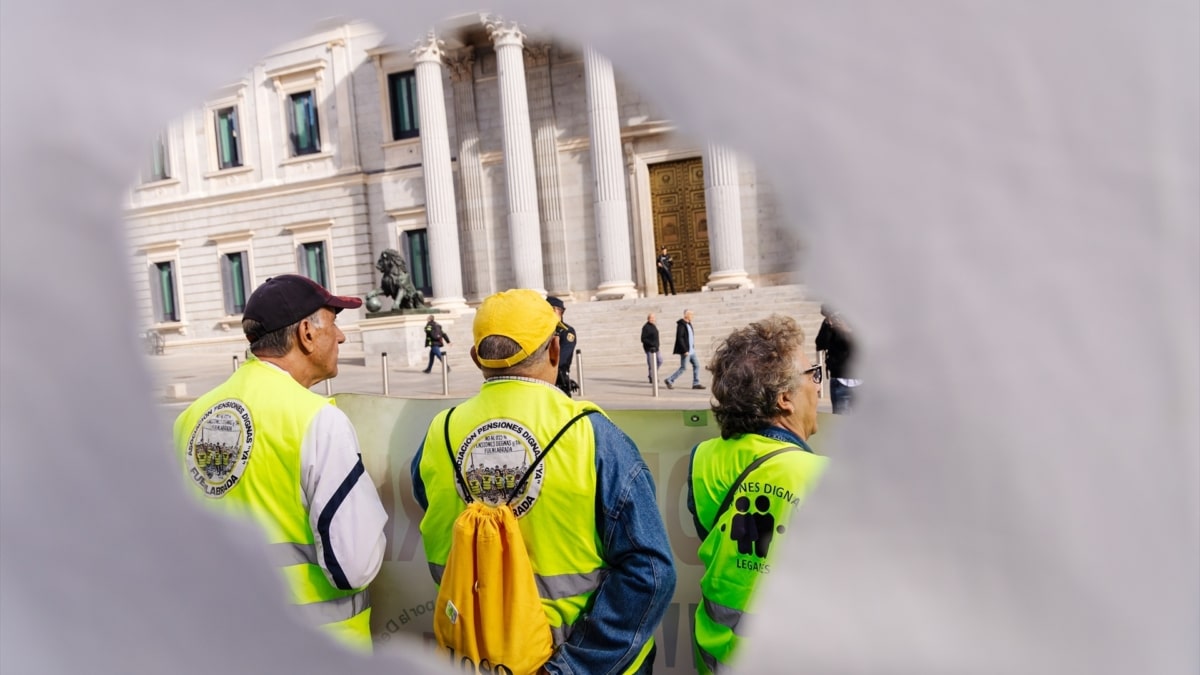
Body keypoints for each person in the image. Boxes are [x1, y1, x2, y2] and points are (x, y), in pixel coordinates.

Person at [410, 289, 676, 674]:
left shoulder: (441, 431)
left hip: (475, 655)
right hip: (569, 658)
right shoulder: (591, 433)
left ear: (475, 359)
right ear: (555, 350)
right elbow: (650, 571)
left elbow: (430, 501)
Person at [173, 275, 387, 652]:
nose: (341, 337)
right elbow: (354, 566)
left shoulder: (190, 418)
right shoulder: (317, 420)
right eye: (334, 323)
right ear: (306, 332)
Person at [687, 315, 828, 673]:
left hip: (717, 654)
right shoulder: (821, 478)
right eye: (812, 374)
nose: (818, 386)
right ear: (785, 399)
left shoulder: (702, 458)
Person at [815, 304, 859, 413]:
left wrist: (846, 330)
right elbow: (820, 344)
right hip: (840, 382)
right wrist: (827, 324)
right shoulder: (831, 323)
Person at [665, 309, 704, 390]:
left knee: (697, 365)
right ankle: (669, 380)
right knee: (683, 368)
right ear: (686, 315)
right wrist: (685, 350)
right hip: (686, 351)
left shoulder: (689, 324)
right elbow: (680, 338)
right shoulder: (681, 325)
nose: (693, 316)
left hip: (692, 350)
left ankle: (696, 383)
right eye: (691, 315)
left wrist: (692, 347)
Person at [546, 295, 577, 397]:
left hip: (559, 380)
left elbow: (563, 358)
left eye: (559, 310)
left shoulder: (566, 332)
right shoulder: (540, 330)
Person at [641, 313, 662, 383]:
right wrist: (651, 344)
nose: (652, 319)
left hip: (656, 348)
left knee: (660, 360)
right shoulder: (645, 327)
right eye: (651, 318)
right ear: (648, 319)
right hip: (649, 349)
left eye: (653, 318)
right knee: (651, 363)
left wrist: (657, 344)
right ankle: (652, 376)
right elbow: (643, 339)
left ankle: (652, 374)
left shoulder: (654, 326)